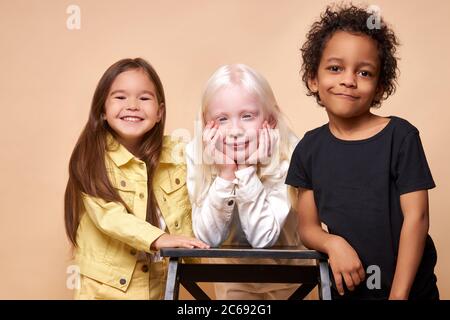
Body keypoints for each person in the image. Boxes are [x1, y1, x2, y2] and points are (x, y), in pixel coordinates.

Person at [286, 4, 439, 300]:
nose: (348, 80)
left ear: (380, 87)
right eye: (335, 68)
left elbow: (417, 218)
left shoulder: (401, 137)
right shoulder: (308, 148)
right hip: (347, 290)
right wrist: (333, 244)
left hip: (408, 290)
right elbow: (307, 228)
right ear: (312, 78)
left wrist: (399, 295)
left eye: (364, 72)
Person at [64, 58, 208, 300]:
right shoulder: (90, 158)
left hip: (157, 285)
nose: (132, 105)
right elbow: (110, 217)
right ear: (102, 109)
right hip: (104, 290)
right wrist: (159, 238)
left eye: (144, 98)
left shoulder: (178, 154)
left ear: (160, 112)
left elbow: (204, 188)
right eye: (120, 97)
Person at [186, 64, 307, 299]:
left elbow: (263, 238)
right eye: (222, 119)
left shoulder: (291, 153)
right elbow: (207, 239)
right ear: (206, 123)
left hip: (294, 281)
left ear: (270, 119)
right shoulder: (196, 152)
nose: (235, 131)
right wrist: (226, 173)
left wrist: (246, 171)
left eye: (247, 116)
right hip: (233, 280)